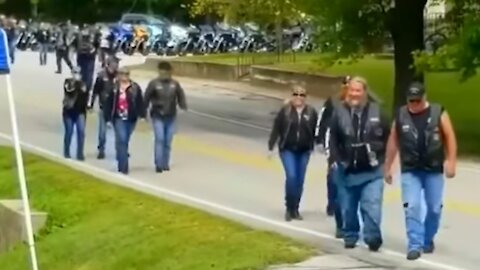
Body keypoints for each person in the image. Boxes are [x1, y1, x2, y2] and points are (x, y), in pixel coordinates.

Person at [384, 82, 457, 261]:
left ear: (424, 98)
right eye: (411, 101)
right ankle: (414, 245)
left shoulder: (438, 112)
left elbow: (450, 137)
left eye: (417, 101)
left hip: (433, 168)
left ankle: (427, 239)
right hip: (411, 169)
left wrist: (451, 161)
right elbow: (393, 141)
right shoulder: (401, 115)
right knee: (412, 206)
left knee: (434, 208)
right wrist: (388, 166)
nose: (414, 105)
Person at [328, 76, 390, 251]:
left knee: (371, 205)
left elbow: (390, 137)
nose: (355, 94)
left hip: (372, 170)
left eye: (358, 91)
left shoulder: (378, 112)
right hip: (346, 169)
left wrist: (386, 161)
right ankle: (350, 235)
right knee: (347, 207)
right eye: (352, 90)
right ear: (348, 91)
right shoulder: (338, 112)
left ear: (364, 93)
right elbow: (332, 138)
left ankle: (372, 237)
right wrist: (334, 159)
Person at [268, 85, 318, 221]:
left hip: (304, 150)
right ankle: (288, 208)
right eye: (296, 94)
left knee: (300, 180)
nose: (298, 97)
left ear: (305, 98)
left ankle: (295, 208)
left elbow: (316, 130)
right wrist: (271, 147)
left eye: (302, 95)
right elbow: (276, 129)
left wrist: (316, 145)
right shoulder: (285, 111)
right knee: (292, 176)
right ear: (292, 96)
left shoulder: (311, 112)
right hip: (287, 149)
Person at [315, 75, 349, 238]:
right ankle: (331, 202)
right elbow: (322, 119)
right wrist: (319, 138)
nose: (347, 88)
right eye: (345, 84)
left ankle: (343, 211)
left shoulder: (360, 103)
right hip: (333, 145)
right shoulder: (333, 101)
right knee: (333, 177)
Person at [144, 61, 188, 173]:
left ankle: (165, 162)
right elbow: (146, 98)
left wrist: (183, 106)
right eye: (162, 71)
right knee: (160, 139)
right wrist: (143, 112)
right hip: (157, 115)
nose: (164, 73)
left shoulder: (175, 84)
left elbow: (180, 96)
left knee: (167, 141)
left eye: (166, 71)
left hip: (171, 116)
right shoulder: (154, 84)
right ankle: (158, 163)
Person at [103, 67, 145, 174]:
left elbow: (140, 102)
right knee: (122, 140)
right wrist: (107, 119)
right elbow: (108, 103)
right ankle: (124, 166)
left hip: (131, 118)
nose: (124, 76)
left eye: (126, 74)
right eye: (122, 74)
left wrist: (142, 116)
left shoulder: (135, 87)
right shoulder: (113, 87)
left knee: (124, 141)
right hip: (118, 118)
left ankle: (120, 156)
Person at [89, 56, 120, 159]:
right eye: (114, 64)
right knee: (102, 131)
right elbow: (95, 91)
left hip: (117, 109)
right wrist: (91, 104)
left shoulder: (119, 77)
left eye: (116, 64)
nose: (115, 66)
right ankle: (101, 150)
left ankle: (121, 150)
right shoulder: (101, 76)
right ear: (108, 64)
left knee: (120, 132)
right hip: (104, 107)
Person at [62, 67, 89, 160]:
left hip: (80, 112)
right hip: (69, 112)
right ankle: (66, 151)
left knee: (81, 132)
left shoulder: (83, 84)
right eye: (75, 73)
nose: (76, 75)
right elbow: (69, 91)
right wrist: (76, 84)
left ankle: (80, 153)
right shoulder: (68, 82)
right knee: (69, 132)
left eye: (78, 73)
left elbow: (85, 94)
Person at [75, 25, 97, 91]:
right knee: (88, 72)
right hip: (88, 56)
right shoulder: (94, 32)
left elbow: (74, 45)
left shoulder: (79, 34)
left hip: (82, 55)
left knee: (82, 72)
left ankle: (83, 86)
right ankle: (86, 87)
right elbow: (97, 45)